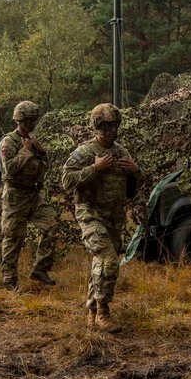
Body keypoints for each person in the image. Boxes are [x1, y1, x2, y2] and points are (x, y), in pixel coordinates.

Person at [61, 103, 143, 332]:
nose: (110, 131)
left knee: (101, 263)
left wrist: (136, 171)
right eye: (105, 126)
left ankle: (92, 312)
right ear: (95, 127)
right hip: (90, 214)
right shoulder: (85, 152)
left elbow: (137, 184)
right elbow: (66, 181)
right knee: (108, 260)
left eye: (114, 126)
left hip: (114, 217)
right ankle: (103, 312)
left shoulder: (121, 152)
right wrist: (95, 169)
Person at [0, 100, 58, 290]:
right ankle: (9, 280)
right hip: (15, 195)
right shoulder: (9, 141)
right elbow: (9, 168)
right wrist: (27, 151)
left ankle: (40, 269)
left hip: (33, 194)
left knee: (51, 224)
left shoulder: (32, 141)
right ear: (20, 121)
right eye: (29, 120)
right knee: (13, 237)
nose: (32, 123)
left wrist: (41, 153)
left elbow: (43, 167)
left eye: (34, 120)